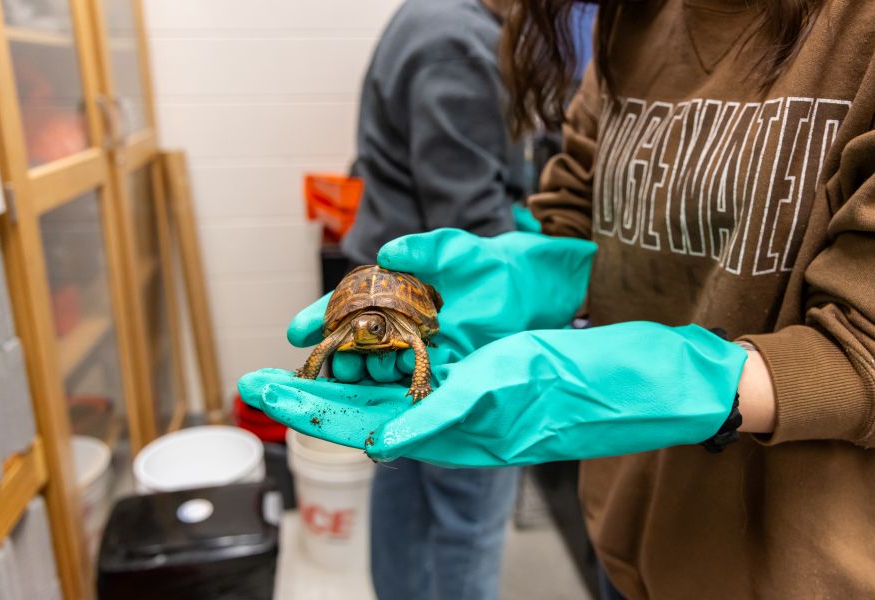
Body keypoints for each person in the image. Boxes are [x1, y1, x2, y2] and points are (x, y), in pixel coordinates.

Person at [240, 0, 875, 597]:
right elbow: (579, 203)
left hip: (789, 564)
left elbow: (860, 346)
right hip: (625, 523)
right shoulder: (634, 19)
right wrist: (534, 271)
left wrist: (685, 383)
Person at [337, 0, 524, 598]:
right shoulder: (458, 42)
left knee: (401, 463)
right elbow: (469, 224)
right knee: (468, 502)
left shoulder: (430, 15)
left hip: (395, 293)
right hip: (444, 317)